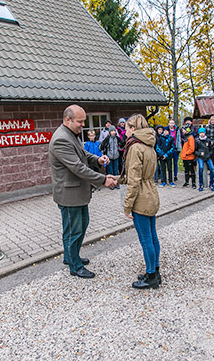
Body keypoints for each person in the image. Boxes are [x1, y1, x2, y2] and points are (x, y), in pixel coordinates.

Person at [49, 105, 117, 279]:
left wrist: (98, 160)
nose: (82, 125)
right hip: (69, 195)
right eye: (79, 121)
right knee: (74, 230)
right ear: (67, 119)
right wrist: (103, 179)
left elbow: (83, 154)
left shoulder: (71, 134)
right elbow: (77, 167)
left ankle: (70, 257)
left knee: (79, 226)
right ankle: (75, 266)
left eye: (83, 121)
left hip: (77, 193)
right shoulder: (61, 139)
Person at [119, 114, 161, 289]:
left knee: (145, 239)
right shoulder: (149, 145)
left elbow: (134, 180)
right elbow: (138, 175)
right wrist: (117, 178)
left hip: (141, 198)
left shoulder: (135, 148)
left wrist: (127, 206)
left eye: (127, 127)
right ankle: (155, 271)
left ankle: (151, 277)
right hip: (151, 193)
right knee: (152, 236)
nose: (125, 131)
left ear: (134, 129)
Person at [194, 127, 214, 191]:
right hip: (200, 157)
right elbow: (195, 150)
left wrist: (208, 155)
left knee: (212, 169)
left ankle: (211, 184)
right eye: (200, 133)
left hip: (207, 157)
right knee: (201, 168)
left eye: (203, 132)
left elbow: (211, 149)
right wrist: (200, 154)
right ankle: (201, 184)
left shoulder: (208, 140)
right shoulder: (197, 141)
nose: (202, 134)